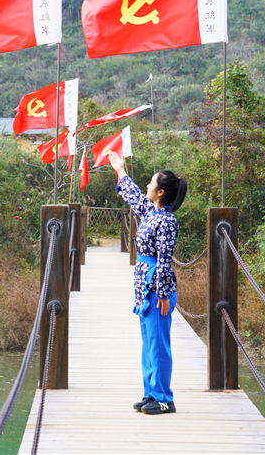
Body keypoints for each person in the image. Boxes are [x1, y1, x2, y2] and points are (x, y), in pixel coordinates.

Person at [108, 150, 187, 415]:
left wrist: (164, 295)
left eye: (152, 183)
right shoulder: (151, 213)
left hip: (157, 287)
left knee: (158, 343)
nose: (148, 187)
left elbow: (164, 261)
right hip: (145, 286)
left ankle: (164, 398)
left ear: (161, 192)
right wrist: (120, 170)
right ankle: (150, 392)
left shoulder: (167, 222)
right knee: (149, 342)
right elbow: (134, 198)